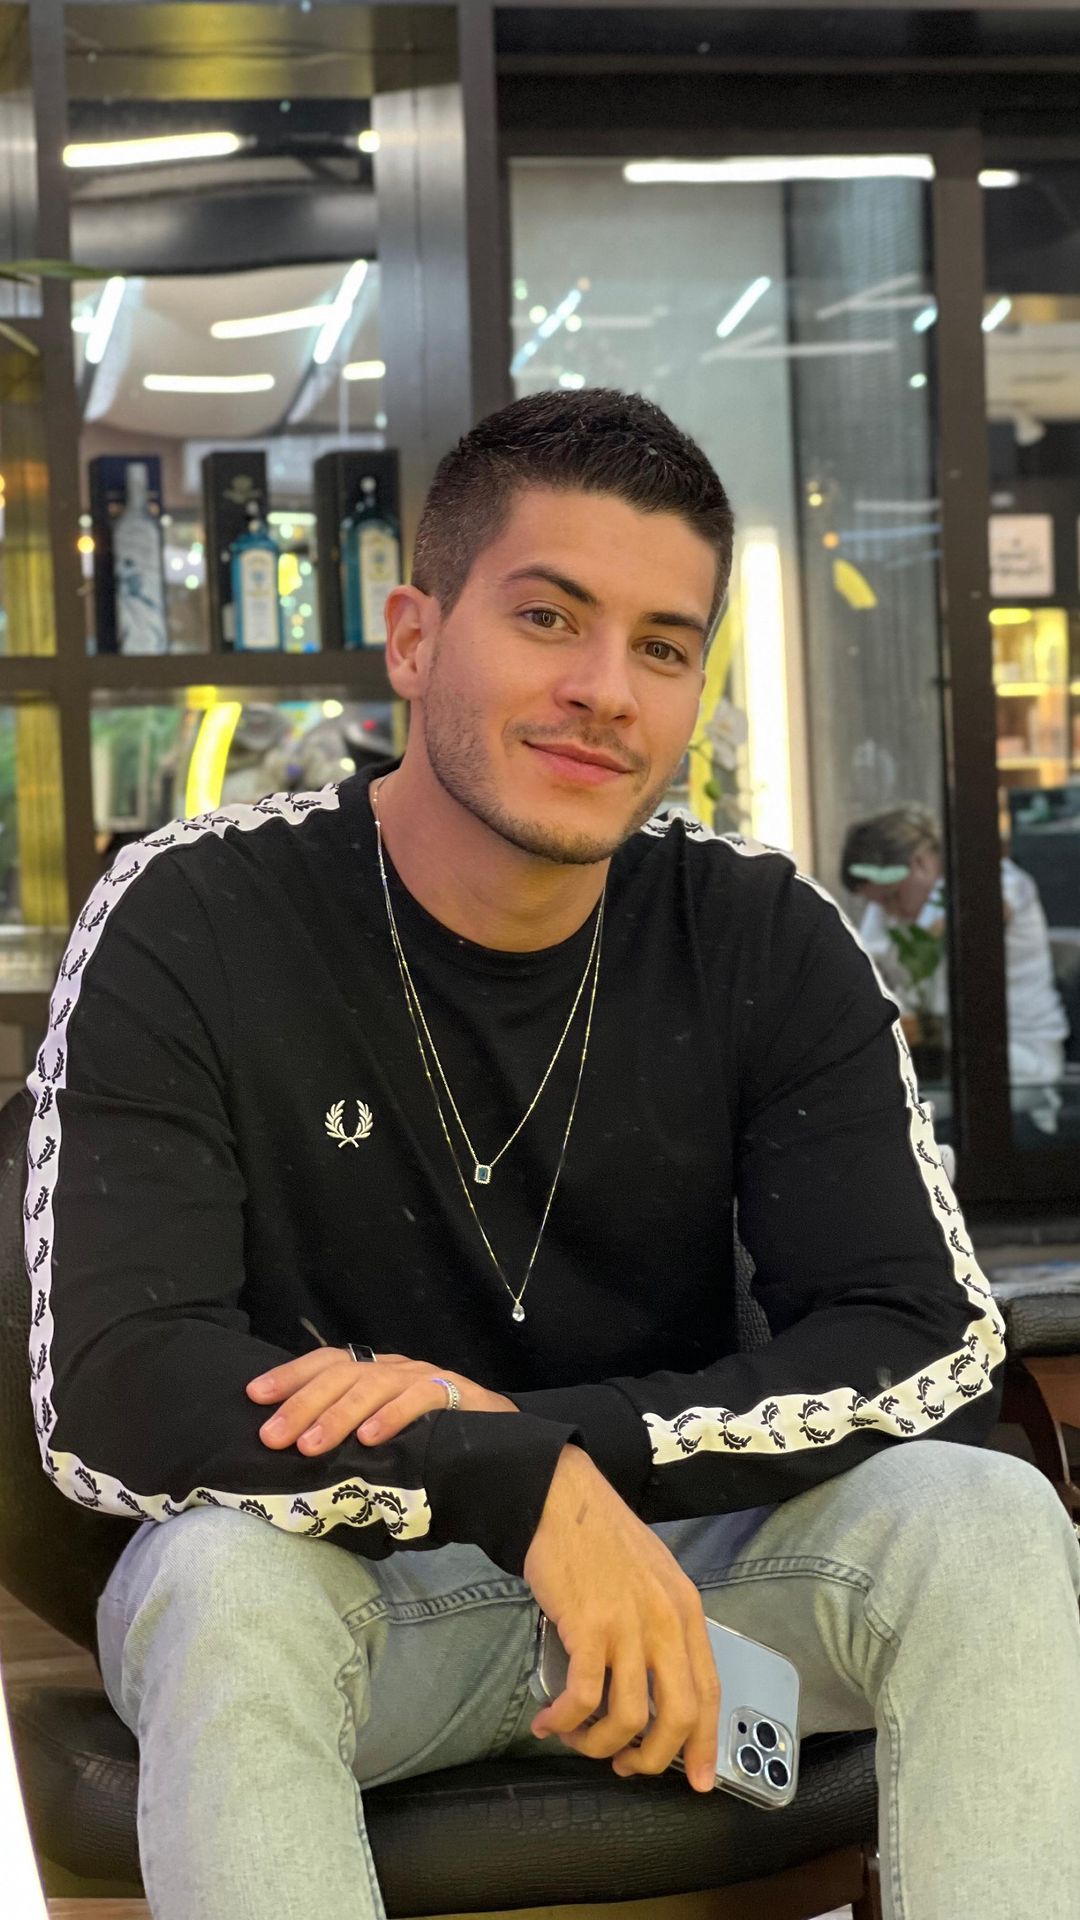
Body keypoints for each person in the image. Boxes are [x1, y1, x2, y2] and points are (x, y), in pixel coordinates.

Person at [27, 391, 1080, 1920]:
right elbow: (118, 1388)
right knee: (220, 1584)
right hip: (348, 1599)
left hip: (686, 1606)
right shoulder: (194, 915)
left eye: (662, 647)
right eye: (548, 617)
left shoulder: (763, 935)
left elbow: (918, 1342)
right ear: (412, 638)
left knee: (987, 1526)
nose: (605, 690)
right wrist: (510, 1486)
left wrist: (565, 1460)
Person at [842, 803, 1069, 1124]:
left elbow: (971, 924)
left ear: (921, 863)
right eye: (878, 902)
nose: (888, 911)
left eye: (892, 896)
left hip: (1019, 1060)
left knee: (881, 1118)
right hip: (943, 1059)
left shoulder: (997, 880)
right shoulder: (888, 906)